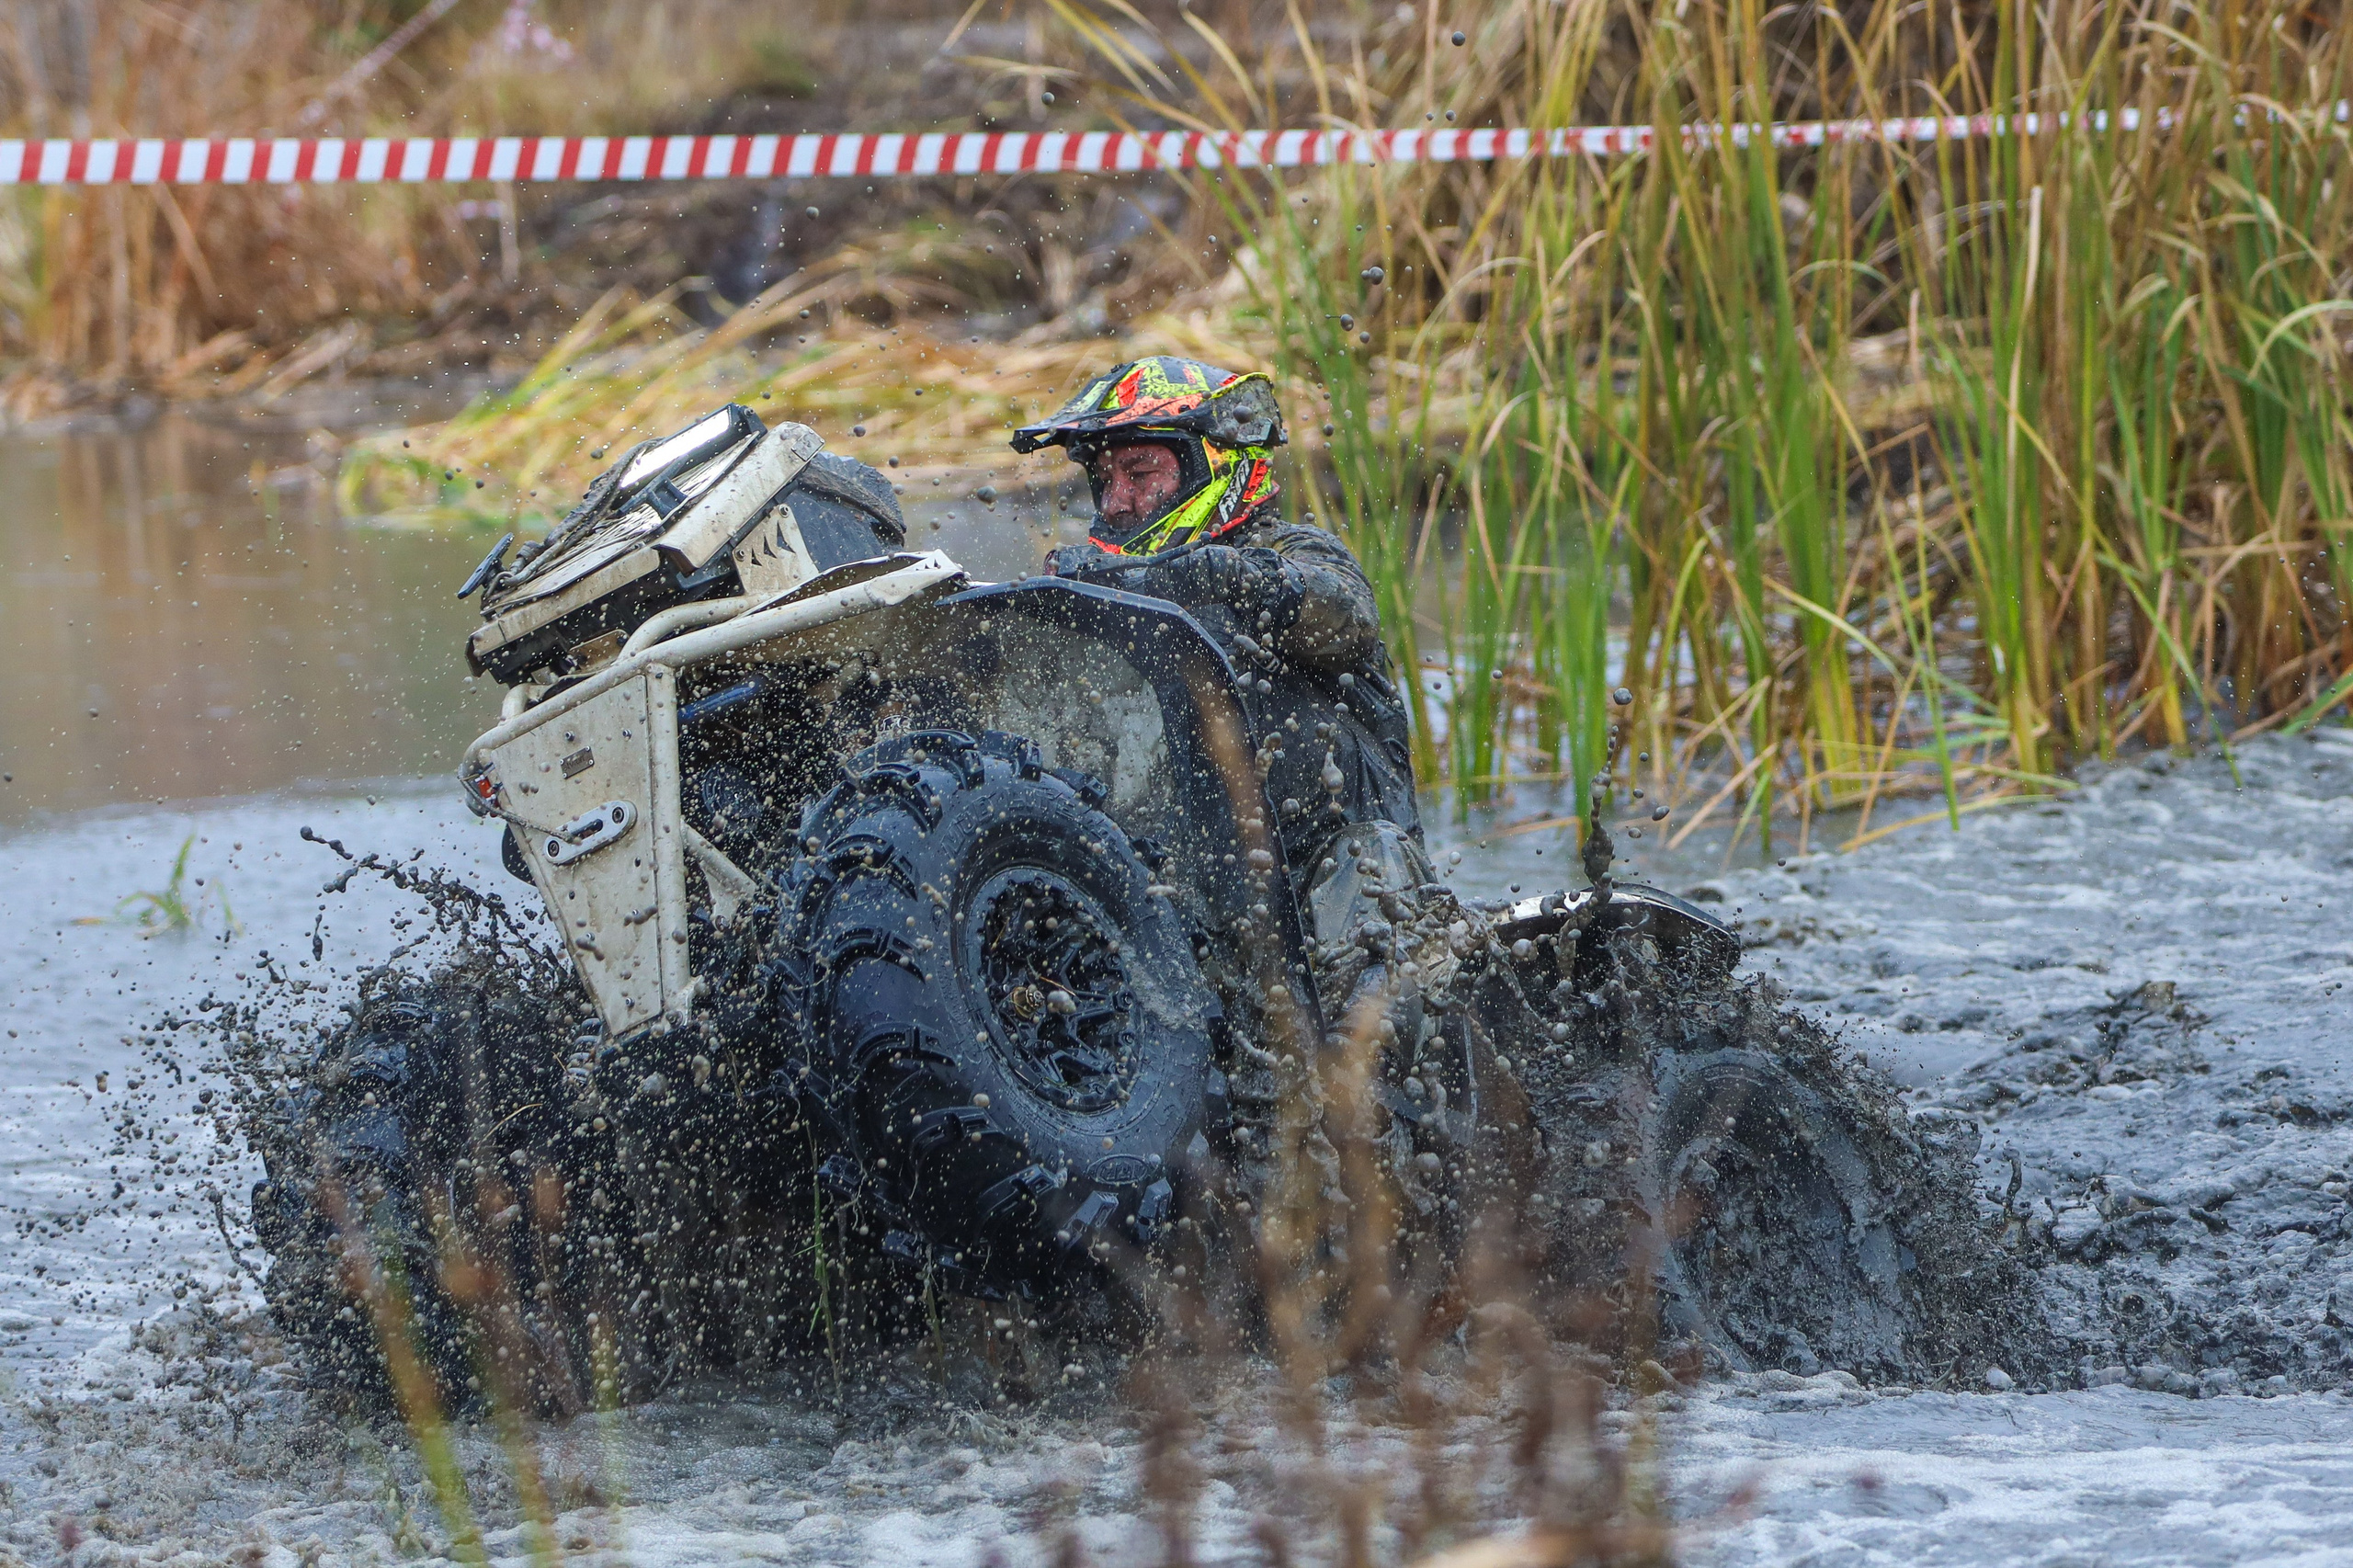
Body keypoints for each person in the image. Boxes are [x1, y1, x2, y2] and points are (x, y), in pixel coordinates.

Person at [1011, 357, 1456, 1038]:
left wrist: (1213, 574)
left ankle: (1387, 1085)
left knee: (1373, 866)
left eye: (1138, 474)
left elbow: (1345, 618)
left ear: (1211, 464)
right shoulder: (1119, 611)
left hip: (1331, 886)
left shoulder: (1293, 552)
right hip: (1203, 913)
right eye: (1103, 481)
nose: (1115, 503)